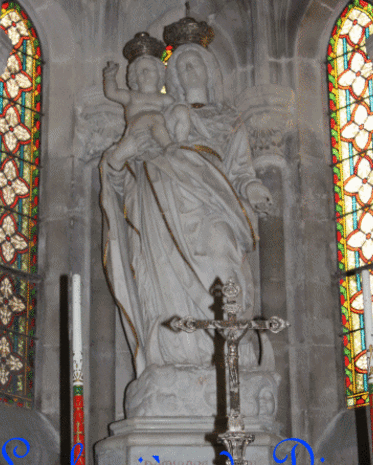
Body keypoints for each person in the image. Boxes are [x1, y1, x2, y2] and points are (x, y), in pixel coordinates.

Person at [100, 37, 272, 380]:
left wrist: (253, 187)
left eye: (193, 63)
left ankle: (231, 349)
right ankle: (177, 353)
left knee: (223, 258)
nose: (187, 70)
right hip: (164, 204)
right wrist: (120, 155)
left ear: (210, 70)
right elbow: (125, 177)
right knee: (164, 274)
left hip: (216, 201)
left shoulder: (230, 121)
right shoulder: (165, 116)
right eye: (179, 67)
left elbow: (240, 170)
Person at [102, 55, 190, 170]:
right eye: (140, 71)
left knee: (181, 110)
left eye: (150, 69)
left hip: (159, 130)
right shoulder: (131, 96)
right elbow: (111, 93)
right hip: (137, 131)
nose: (145, 72)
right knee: (154, 116)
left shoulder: (166, 98)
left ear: (159, 74)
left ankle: (182, 146)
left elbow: (176, 116)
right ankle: (169, 147)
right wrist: (109, 76)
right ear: (134, 78)